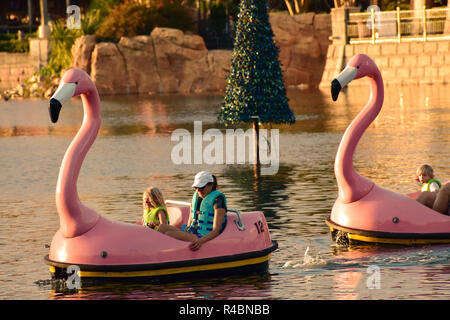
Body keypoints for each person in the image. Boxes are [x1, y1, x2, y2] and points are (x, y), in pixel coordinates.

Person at [157, 171, 227, 251]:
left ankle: (157, 252)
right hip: (192, 231)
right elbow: (190, 221)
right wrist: (185, 231)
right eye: (196, 187)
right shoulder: (197, 197)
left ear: (210, 185)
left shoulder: (218, 201)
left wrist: (201, 241)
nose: (198, 190)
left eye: (201, 187)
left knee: (169, 234)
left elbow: (216, 231)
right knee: (162, 227)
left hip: (202, 235)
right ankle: (151, 250)